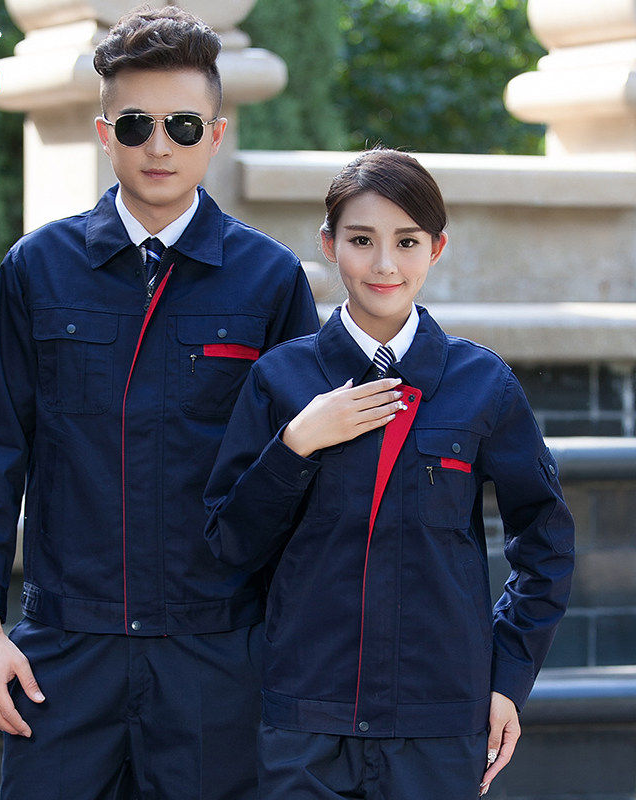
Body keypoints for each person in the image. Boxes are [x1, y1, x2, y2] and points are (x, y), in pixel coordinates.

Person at [0, 6, 319, 799]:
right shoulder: (37, 269)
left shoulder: (269, 280)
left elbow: (300, 481)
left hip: (216, 655)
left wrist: (291, 646)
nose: (159, 146)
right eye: (136, 124)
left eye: (183, 125)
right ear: (104, 134)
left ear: (215, 136)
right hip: (64, 653)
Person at [204, 148, 574, 800]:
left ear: (436, 248)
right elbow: (229, 544)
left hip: (438, 721)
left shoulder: (481, 383)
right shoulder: (280, 379)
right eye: (361, 240)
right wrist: (295, 444)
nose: (384, 265)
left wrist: (508, 677)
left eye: (406, 241)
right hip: (306, 718)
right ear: (328, 245)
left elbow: (546, 541)